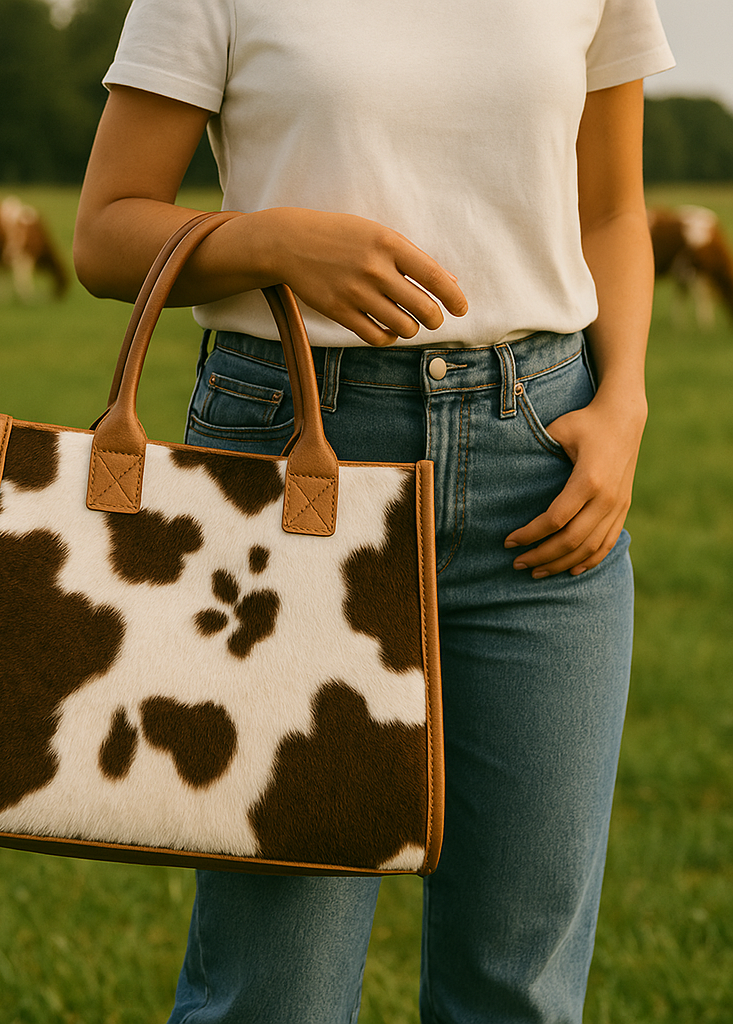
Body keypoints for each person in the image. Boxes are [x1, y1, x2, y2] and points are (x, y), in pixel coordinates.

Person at [72, 1, 674, 1020]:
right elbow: (105, 229)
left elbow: (610, 210)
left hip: (540, 465)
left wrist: (622, 404)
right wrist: (267, 241)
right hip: (294, 458)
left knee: (518, 991)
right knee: (276, 994)